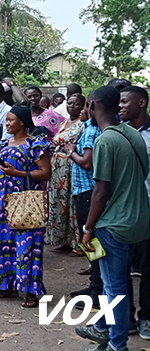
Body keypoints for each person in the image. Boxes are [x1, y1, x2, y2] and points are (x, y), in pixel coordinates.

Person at [76, 86, 150, 351]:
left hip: (113, 225)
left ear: (92, 105)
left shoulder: (104, 141)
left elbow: (101, 191)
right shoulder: (132, 133)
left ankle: (117, 346)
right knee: (115, 284)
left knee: (114, 287)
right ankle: (103, 330)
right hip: (139, 220)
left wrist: (88, 228)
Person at [0, 105, 51, 308]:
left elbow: (46, 172)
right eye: (6, 120)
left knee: (27, 245)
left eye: (10, 120)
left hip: (26, 200)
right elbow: (1, 173)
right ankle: (6, 284)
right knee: (4, 242)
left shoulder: (35, 144)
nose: (6, 123)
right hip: (2, 200)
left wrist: (18, 173)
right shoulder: (4, 143)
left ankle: (30, 290)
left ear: (22, 122)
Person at [118, 86, 150, 339]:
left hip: (148, 207)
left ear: (141, 103)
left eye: (124, 102)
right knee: (121, 266)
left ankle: (147, 317)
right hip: (124, 210)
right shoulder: (119, 133)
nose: (120, 106)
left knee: (148, 267)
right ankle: (125, 317)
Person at [66, 98, 104, 309]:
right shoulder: (88, 127)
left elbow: (87, 162)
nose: (81, 109)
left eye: (85, 105)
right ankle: (95, 285)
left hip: (87, 191)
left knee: (91, 240)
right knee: (90, 241)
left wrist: (71, 151)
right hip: (83, 191)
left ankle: (98, 290)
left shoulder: (90, 130)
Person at [46, 93, 85, 251]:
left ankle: (77, 243)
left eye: (76, 104)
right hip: (57, 167)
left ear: (82, 107)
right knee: (57, 202)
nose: (72, 106)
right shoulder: (66, 121)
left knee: (70, 203)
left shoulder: (83, 124)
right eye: (69, 103)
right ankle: (63, 239)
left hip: (70, 167)